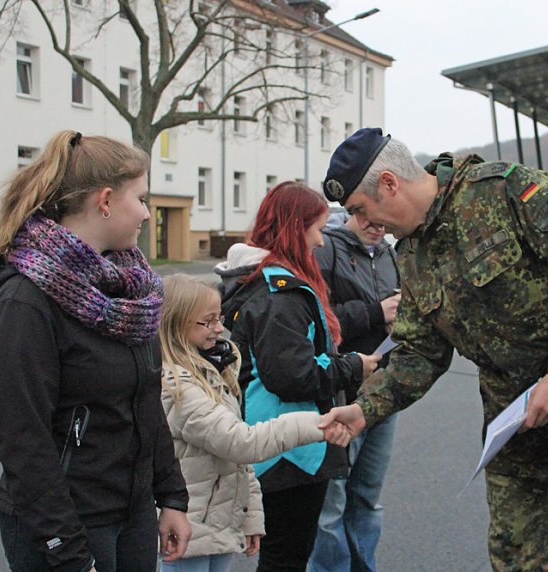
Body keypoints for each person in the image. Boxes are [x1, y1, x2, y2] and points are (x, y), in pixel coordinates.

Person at [321, 128, 548, 571]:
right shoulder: (413, 253)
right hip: (519, 422)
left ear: (390, 184)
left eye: (361, 209)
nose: (366, 224)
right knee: (514, 560)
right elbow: (420, 353)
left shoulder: (505, 191)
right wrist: (364, 410)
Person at [0, 130, 191, 572]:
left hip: (131, 512)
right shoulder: (25, 301)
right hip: (63, 524)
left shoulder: (130, 291)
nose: (148, 214)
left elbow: (145, 399)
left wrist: (170, 495)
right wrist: (69, 551)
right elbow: (25, 441)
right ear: (106, 200)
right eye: (142, 198)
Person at [214, 182, 381, 572]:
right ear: (295, 227)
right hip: (289, 451)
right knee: (286, 558)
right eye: (317, 229)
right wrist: (354, 365)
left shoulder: (267, 285)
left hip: (283, 442)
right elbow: (293, 375)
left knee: (283, 555)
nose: (321, 242)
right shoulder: (279, 294)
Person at [158, 274, 353, 572]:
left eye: (219, 318)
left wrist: (250, 517)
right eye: (207, 322)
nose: (220, 329)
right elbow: (240, 443)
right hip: (188, 531)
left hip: (215, 525)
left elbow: (238, 468)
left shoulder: (210, 374)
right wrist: (316, 425)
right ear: (176, 324)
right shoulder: (178, 388)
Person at [309, 212, 401, 572]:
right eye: (371, 220)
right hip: (343, 393)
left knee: (367, 499)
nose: (378, 228)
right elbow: (320, 318)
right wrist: (376, 312)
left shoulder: (389, 254)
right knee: (331, 505)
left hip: (385, 391)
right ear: (354, 210)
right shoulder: (328, 248)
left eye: (384, 222)